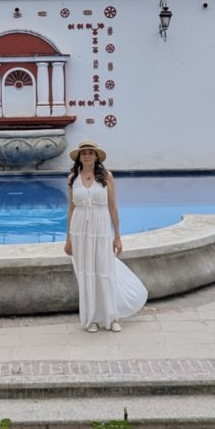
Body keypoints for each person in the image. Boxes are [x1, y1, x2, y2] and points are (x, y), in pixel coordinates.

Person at [63, 139, 147, 332]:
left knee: (105, 271)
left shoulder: (106, 176)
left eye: (91, 153)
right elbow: (71, 208)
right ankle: (90, 319)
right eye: (84, 153)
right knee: (86, 275)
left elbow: (112, 207)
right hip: (79, 230)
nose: (87, 156)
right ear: (79, 157)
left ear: (96, 156)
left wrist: (117, 236)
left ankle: (111, 318)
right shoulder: (72, 178)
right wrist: (68, 240)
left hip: (101, 229)